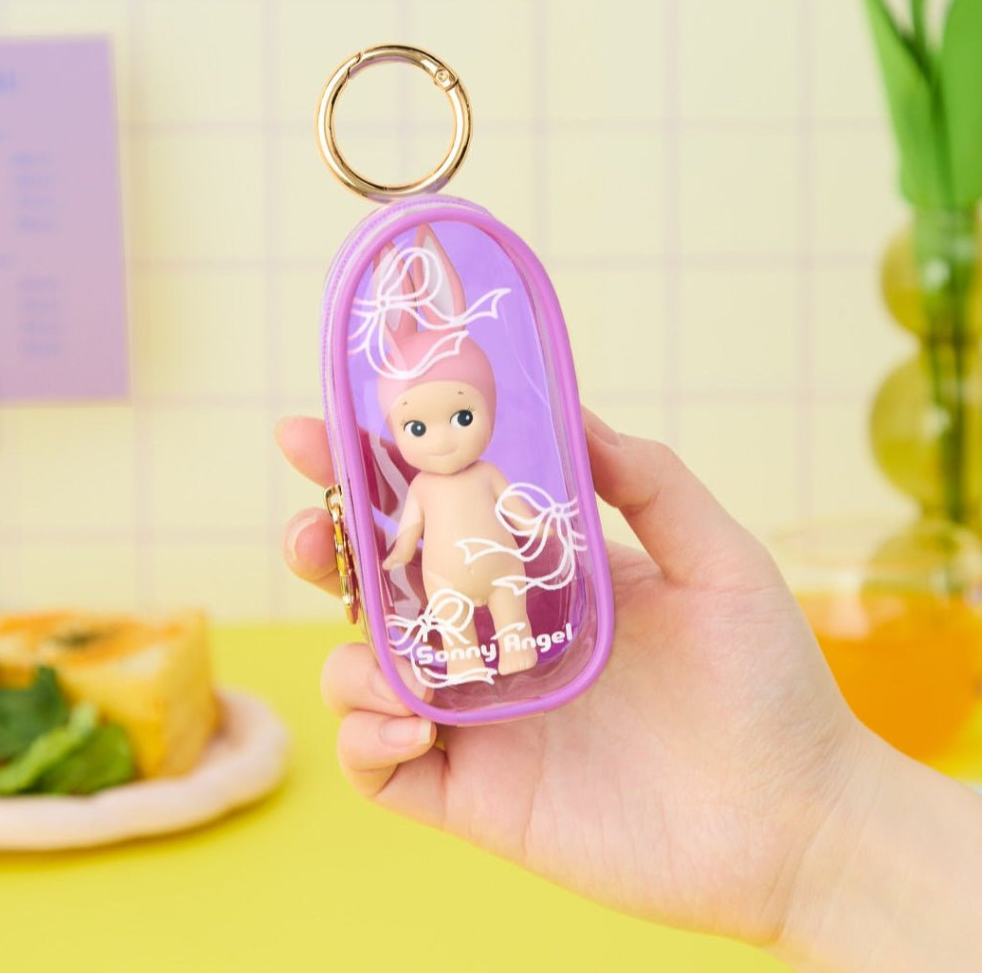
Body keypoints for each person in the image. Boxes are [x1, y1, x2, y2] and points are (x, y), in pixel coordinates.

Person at [275, 409, 982, 972]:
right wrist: (394, 551)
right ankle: (474, 650)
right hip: (449, 587)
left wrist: (819, 825)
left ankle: (513, 643)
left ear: (486, 410)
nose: (443, 437)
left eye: (462, 416)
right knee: (459, 637)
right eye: (417, 426)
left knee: (514, 620)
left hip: (504, 574)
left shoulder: (485, 474)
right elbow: (407, 534)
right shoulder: (427, 490)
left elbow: (517, 511)